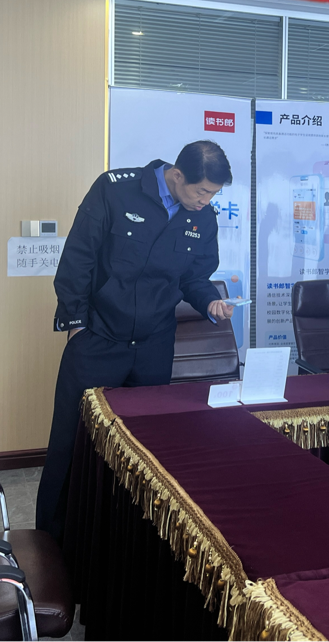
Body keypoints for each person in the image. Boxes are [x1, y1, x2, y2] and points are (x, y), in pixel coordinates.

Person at [37, 140, 236, 539]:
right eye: (202, 191)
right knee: (72, 441)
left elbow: (194, 277)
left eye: (213, 195)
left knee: (146, 444)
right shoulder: (115, 190)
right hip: (98, 338)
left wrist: (210, 301)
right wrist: (76, 324)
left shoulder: (202, 217)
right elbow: (78, 257)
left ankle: (128, 537)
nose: (206, 201)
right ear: (177, 175)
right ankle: (52, 540)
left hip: (153, 344)